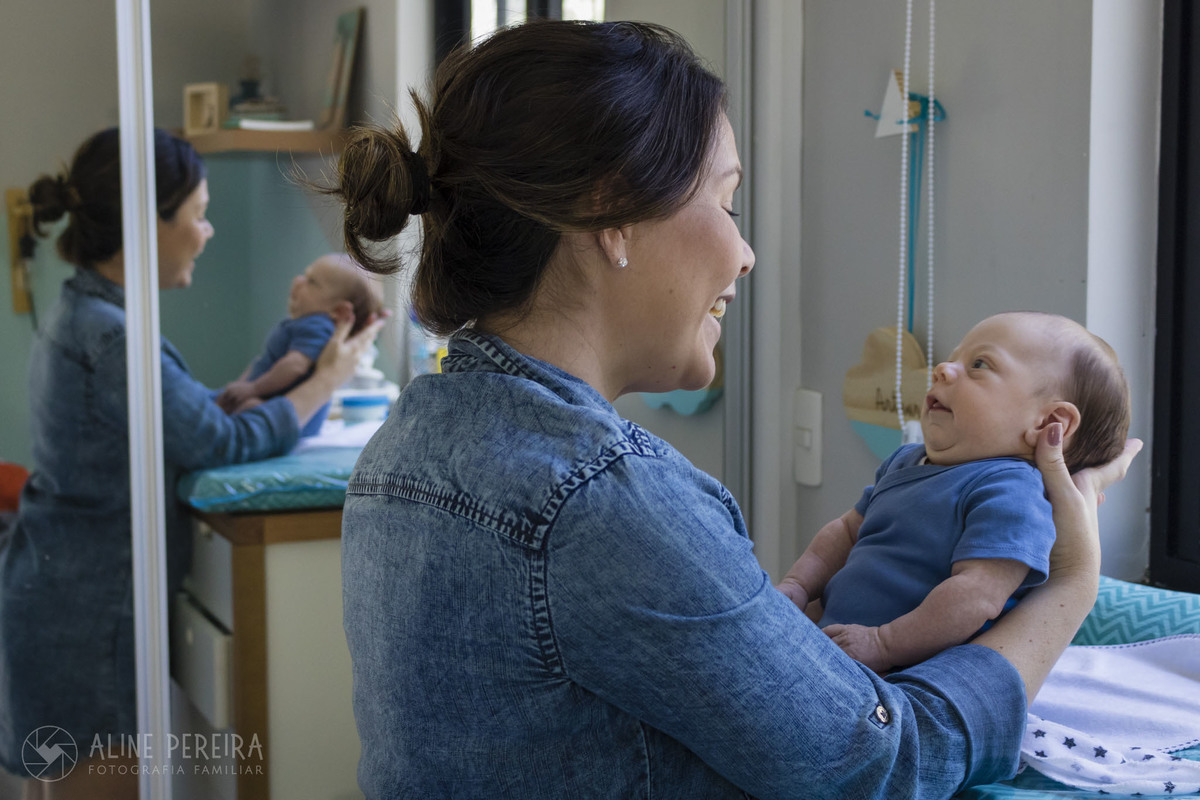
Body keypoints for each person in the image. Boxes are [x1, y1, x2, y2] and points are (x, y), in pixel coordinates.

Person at [324, 19, 1139, 799]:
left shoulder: (405, 443)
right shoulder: (599, 500)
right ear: (613, 213)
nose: (744, 255)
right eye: (728, 204)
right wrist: (1071, 586)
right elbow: (883, 770)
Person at [0, 127, 383, 799]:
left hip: (61, 598)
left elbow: (180, 419)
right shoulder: (111, 338)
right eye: (199, 214)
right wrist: (328, 377)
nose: (206, 233)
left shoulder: (88, 316)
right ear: (150, 222)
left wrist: (236, 396)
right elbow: (221, 443)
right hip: (85, 620)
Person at [778, 312, 1131, 674]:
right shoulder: (906, 461)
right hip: (834, 647)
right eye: (953, 357)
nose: (942, 369)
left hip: (897, 674)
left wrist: (883, 643)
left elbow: (977, 595)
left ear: (1048, 422)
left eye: (979, 364)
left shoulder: (1012, 492)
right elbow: (846, 532)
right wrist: (798, 586)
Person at [216, 252, 383, 435]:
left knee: (247, 409)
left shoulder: (317, 326)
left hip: (298, 417)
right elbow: (263, 363)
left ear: (339, 310)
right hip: (276, 405)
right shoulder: (304, 323)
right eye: (305, 274)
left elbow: (295, 365)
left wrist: (252, 388)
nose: (298, 280)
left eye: (311, 281)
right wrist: (241, 386)